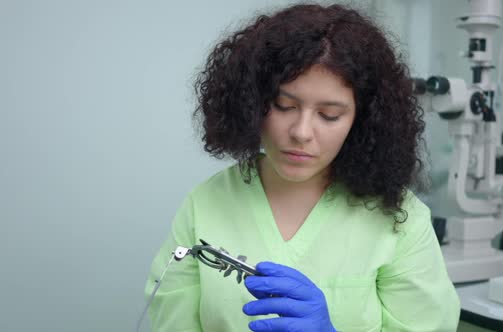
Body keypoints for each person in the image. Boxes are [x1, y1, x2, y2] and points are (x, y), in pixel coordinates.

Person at [144, 3, 460, 332]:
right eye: (284, 106)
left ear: (361, 121)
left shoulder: (400, 219)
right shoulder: (205, 205)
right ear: (252, 102)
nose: (301, 132)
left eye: (329, 115)